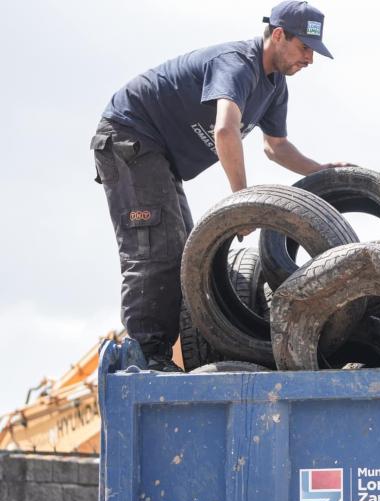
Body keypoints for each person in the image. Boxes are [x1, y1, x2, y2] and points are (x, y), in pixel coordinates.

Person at [90, 1, 349, 371]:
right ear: (278, 35)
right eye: (305, 48)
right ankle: (146, 358)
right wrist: (241, 202)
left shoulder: (274, 87)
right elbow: (226, 130)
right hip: (130, 135)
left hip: (158, 155)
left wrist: (320, 168)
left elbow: (275, 147)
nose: (310, 59)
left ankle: (157, 353)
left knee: (186, 254)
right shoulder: (238, 64)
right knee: (156, 251)